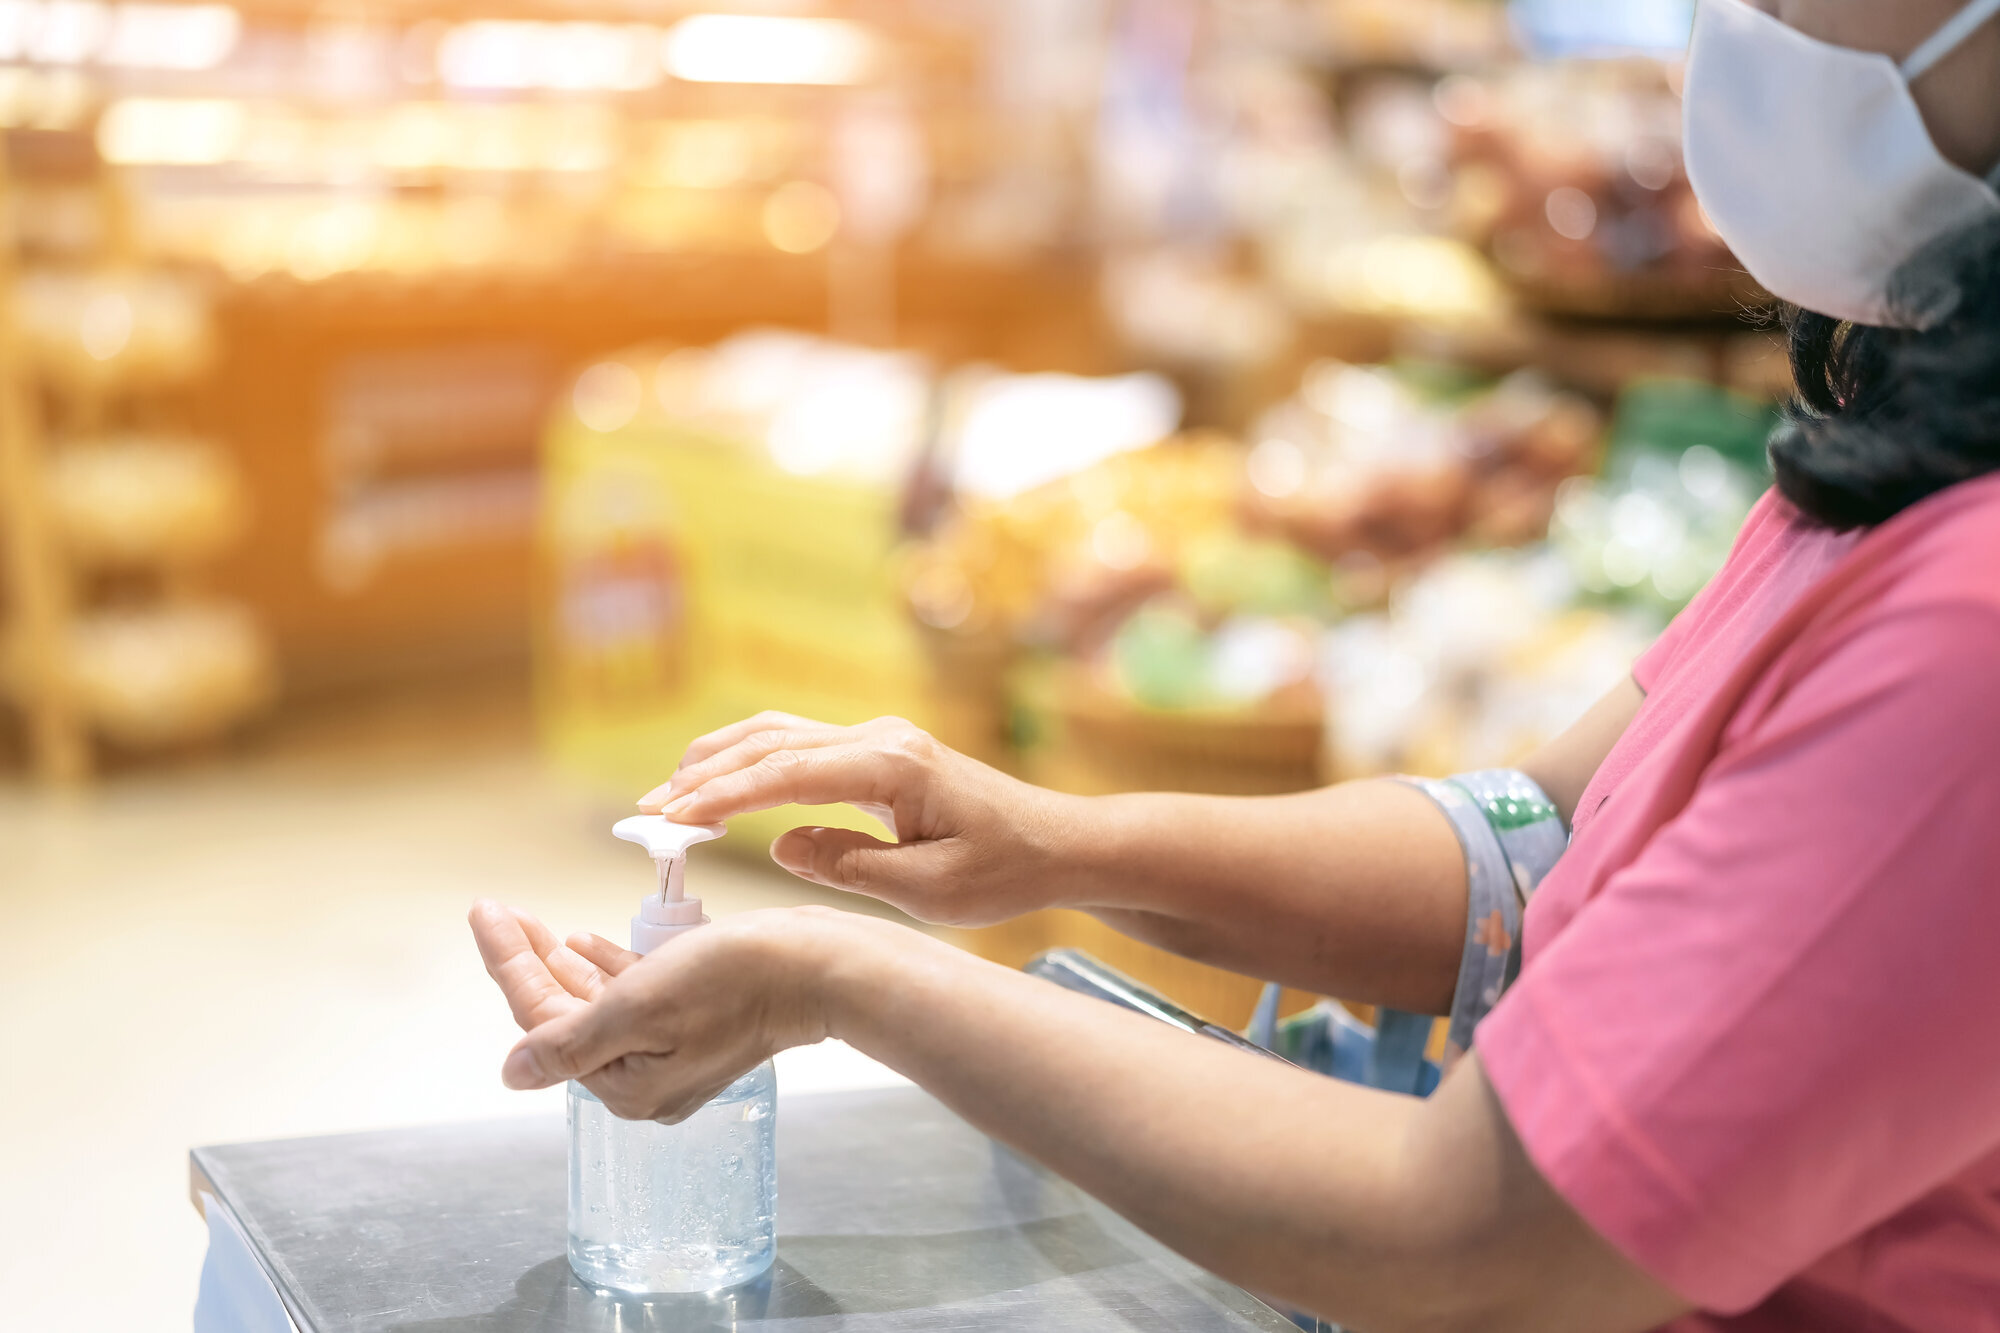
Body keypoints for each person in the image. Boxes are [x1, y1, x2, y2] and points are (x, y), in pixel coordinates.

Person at [469, 3, 2000, 1329]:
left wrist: (845, 977)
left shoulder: (1970, 632)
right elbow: (1535, 843)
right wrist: (1052, 841)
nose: (1739, 26)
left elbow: (1469, 1235)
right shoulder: (1899, 479)